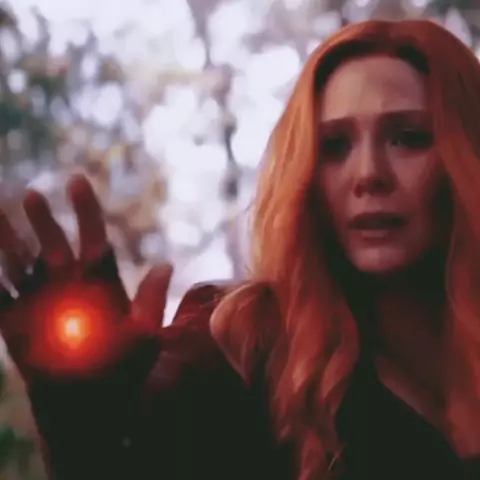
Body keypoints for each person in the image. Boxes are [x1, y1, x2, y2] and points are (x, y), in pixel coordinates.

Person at [1, 18, 480, 480]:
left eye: (408, 138)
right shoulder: (243, 346)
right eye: (334, 146)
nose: (369, 174)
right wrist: (89, 436)